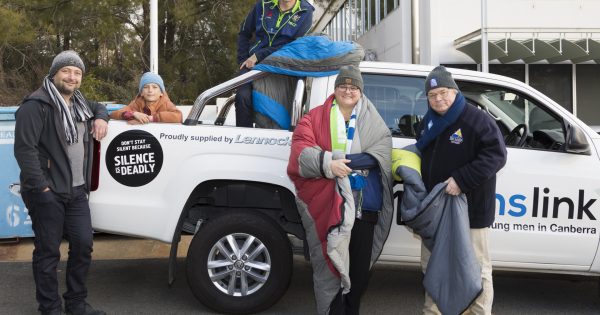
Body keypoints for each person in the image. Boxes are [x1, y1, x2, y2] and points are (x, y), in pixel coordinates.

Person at [287, 65, 393, 315]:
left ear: (360, 91)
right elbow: (300, 151)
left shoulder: (372, 118)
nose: (348, 90)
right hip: (327, 206)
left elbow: (382, 152)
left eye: (353, 86)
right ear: (335, 89)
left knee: (358, 272)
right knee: (329, 267)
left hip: (364, 208)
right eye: (343, 86)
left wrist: (340, 162)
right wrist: (328, 164)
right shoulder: (313, 118)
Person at [14, 50, 108, 315]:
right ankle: (50, 308)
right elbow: (25, 150)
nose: (72, 76)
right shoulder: (36, 105)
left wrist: (101, 116)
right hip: (47, 192)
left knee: (82, 245)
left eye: (77, 73)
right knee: (48, 253)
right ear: (54, 73)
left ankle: (76, 303)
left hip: (77, 191)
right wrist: (42, 188)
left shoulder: (79, 104)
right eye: (66, 70)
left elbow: (98, 106)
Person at [416, 66, 507, 315]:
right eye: (432, 95)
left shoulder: (475, 119)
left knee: (475, 270)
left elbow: (496, 155)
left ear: (455, 91)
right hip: (437, 211)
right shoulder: (429, 122)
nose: (438, 99)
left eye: (443, 92)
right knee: (434, 266)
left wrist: (461, 180)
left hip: (472, 211)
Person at [235, 0, 314, 127]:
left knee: (282, 106)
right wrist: (243, 59)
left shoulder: (306, 11)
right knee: (242, 97)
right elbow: (244, 33)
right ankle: (243, 138)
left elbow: (293, 46)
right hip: (253, 65)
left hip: (283, 65)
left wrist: (259, 55)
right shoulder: (263, 5)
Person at [109, 72, 182, 124]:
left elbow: (178, 116)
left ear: (161, 93)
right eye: (146, 87)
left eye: (155, 87)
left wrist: (151, 118)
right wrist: (133, 114)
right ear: (141, 93)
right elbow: (113, 114)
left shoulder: (166, 103)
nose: (150, 90)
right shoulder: (136, 104)